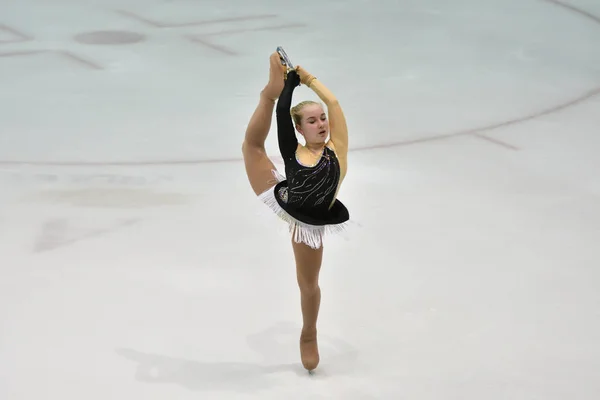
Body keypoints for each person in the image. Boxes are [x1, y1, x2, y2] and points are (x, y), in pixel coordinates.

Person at [241, 51, 350, 372]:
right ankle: (268, 93)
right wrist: (286, 86)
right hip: (284, 199)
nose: (321, 124)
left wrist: (310, 80)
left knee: (308, 284)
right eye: (312, 121)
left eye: (321, 119)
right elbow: (280, 123)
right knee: (252, 146)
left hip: (308, 223)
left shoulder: (337, 150)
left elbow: (335, 105)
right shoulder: (294, 150)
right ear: (300, 129)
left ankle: (309, 332)